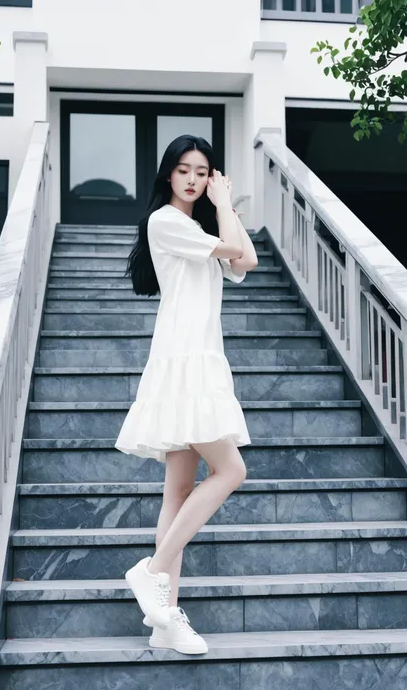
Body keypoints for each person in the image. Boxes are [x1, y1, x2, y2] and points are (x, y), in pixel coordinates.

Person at [115, 134, 259, 655]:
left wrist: (223, 209)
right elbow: (239, 251)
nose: (194, 179)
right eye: (184, 170)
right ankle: (151, 571)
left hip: (195, 357)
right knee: (232, 470)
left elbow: (248, 264)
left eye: (202, 171)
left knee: (178, 491)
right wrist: (224, 207)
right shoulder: (167, 223)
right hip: (185, 360)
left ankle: (165, 622)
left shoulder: (198, 228)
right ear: (168, 176)